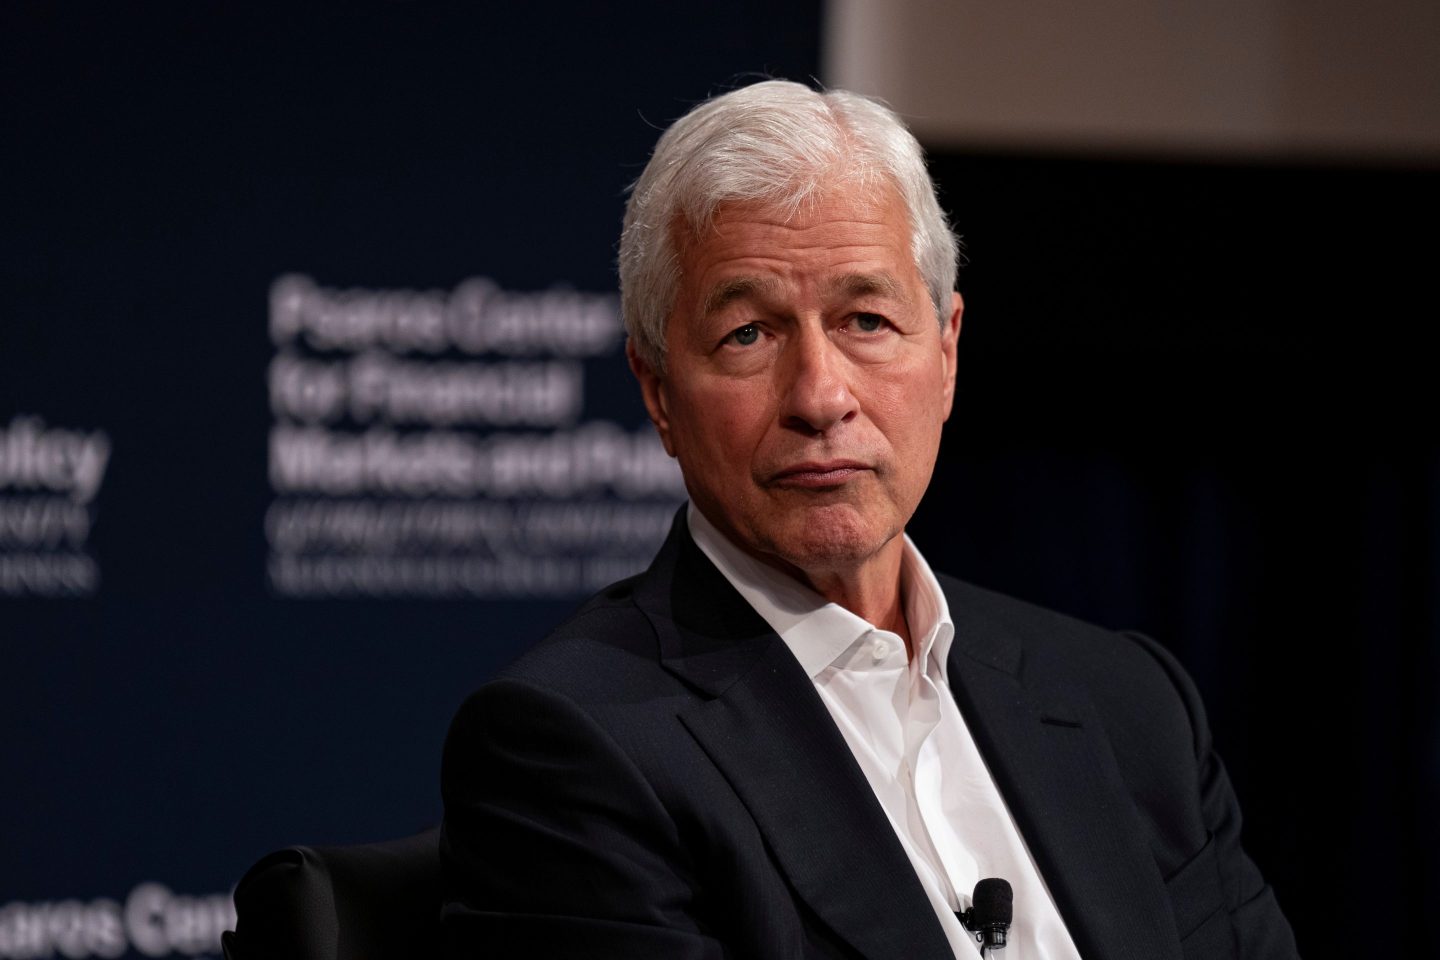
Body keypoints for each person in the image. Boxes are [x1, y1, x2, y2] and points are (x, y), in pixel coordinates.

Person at [440, 80, 1299, 960]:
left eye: (866, 320)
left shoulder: (1129, 708)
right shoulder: (575, 746)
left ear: (947, 352)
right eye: (748, 334)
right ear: (659, 392)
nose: (820, 397)